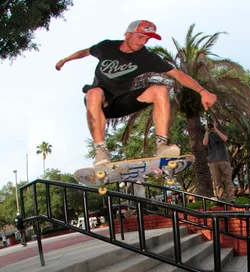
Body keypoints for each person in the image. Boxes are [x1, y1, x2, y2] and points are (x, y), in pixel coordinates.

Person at [55, 20, 217, 167]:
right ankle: (100, 151)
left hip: (123, 102)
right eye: (140, 37)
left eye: (147, 39)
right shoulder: (107, 47)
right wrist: (64, 60)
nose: (143, 42)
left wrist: (202, 91)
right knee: (94, 93)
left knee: (160, 90)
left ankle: (162, 146)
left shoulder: (146, 57)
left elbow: (178, 75)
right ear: (128, 34)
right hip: (100, 103)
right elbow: (85, 52)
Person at [203, 119, 234, 202]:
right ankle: (221, 198)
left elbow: (225, 139)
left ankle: (231, 199)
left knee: (228, 180)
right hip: (213, 161)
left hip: (224, 160)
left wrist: (216, 129)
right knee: (217, 182)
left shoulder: (222, 132)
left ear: (216, 123)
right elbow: (205, 143)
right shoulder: (208, 135)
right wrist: (206, 131)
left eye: (212, 123)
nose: (211, 125)